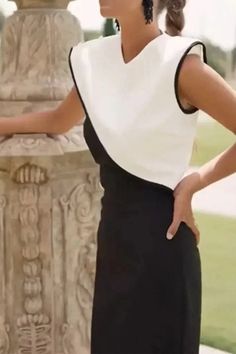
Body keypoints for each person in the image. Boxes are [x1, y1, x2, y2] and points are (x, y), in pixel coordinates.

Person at [0, 0, 235, 353]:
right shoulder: (92, 59)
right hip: (112, 249)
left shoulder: (182, 64)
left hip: (164, 250)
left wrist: (194, 182)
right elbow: (58, 121)